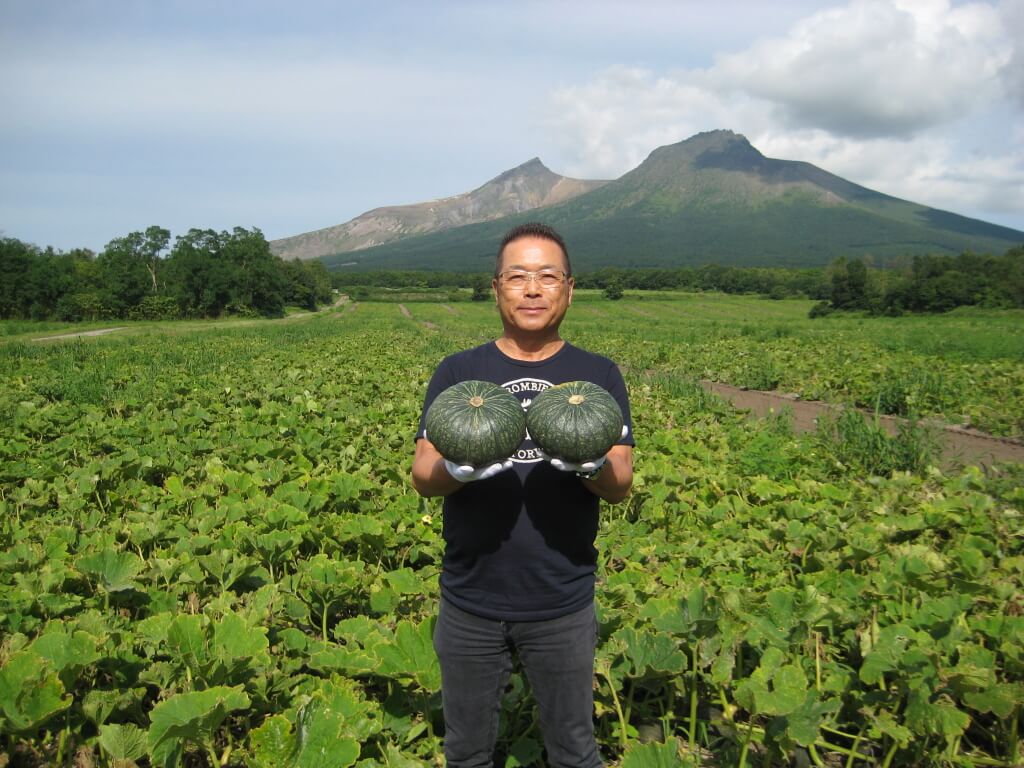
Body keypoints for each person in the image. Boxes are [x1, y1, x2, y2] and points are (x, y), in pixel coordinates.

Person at [411, 222, 634, 767]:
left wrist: (593, 466)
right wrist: (455, 471)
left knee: (574, 751)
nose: (532, 290)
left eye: (547, 277)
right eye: (518, 277)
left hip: (562, 599)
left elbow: (621, 484)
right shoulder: (460, 372)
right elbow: (422, 474)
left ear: (569, 288)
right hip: (470, 598)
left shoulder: (596, 374)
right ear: (496, 288)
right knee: (465, 753)